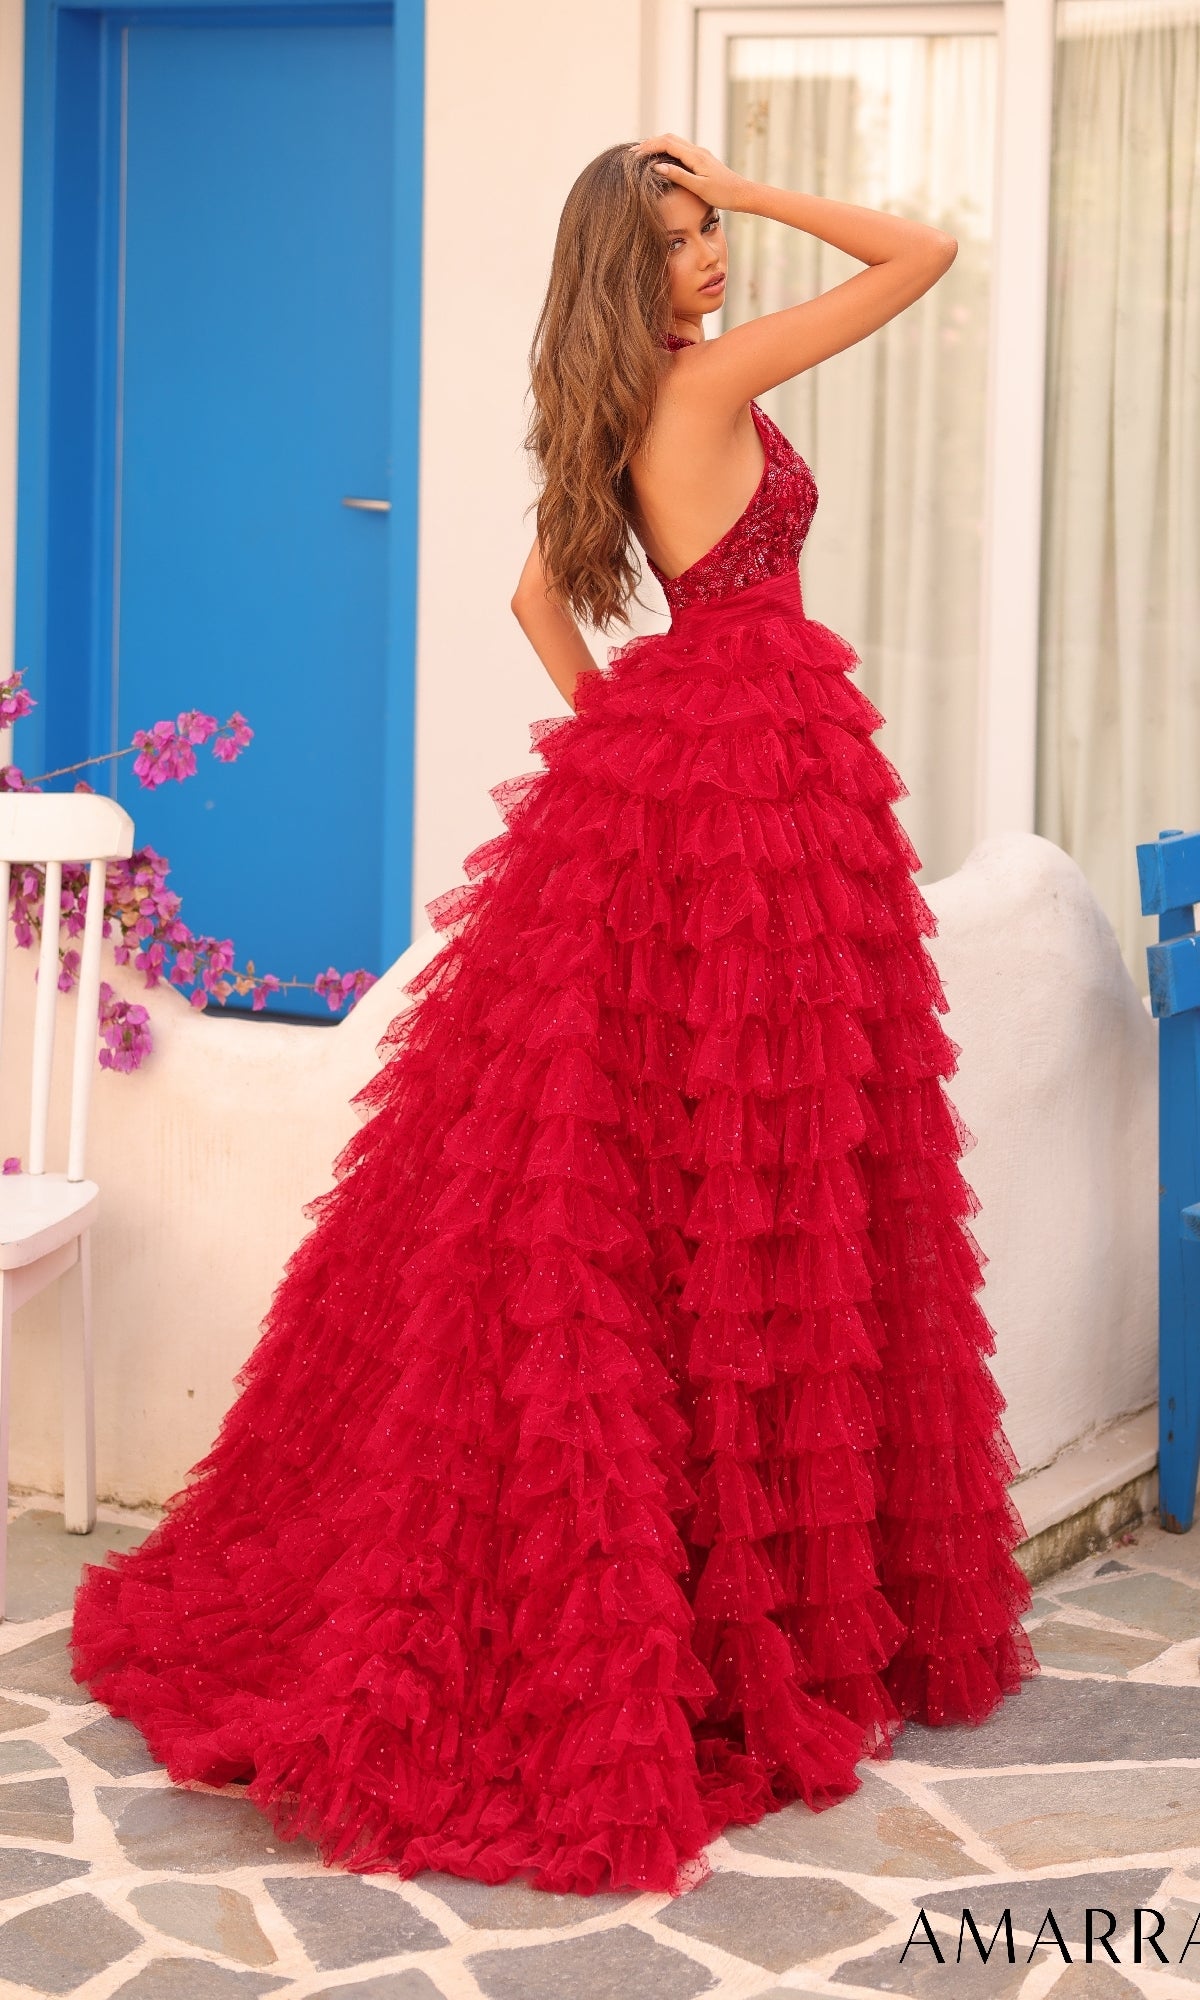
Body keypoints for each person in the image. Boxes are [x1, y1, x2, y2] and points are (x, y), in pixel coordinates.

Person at [69, 136, 1037, 1899]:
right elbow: (922, 255)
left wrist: (635, 752)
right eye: (678, 245)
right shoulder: (708, 378)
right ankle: (756, 1608)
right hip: (760, 791)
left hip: (693, 783)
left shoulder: (613, 406)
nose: (709, 264)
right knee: (767, 1161)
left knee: (688, 1165)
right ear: (629, 268)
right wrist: (761, 178)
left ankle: (721, 1572)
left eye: (710, 236)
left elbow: (538, 601)